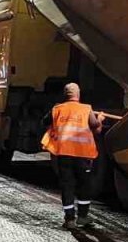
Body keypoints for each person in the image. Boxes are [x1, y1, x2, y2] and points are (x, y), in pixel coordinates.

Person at [42, 82, 103, 229]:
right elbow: (96, 129)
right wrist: (100, 119)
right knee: (84, 185)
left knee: (67, 185)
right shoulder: (86, 109)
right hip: (83, 154)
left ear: (65, 95)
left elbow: (45, 122)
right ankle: (83, 217)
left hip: (64, 153)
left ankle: (69, 220)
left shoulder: (57, 109)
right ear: (78, 94)